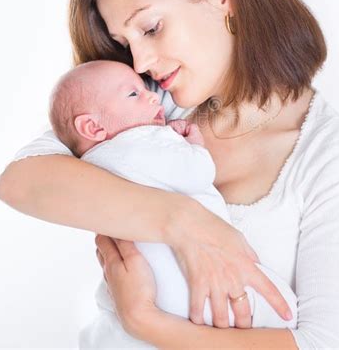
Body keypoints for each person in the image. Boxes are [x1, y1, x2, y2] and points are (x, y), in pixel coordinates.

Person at [0, 0, 339, 348]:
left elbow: (330, 344)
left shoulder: (332, 156)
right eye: (125, 42)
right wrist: (185, 222)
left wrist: (146, 322)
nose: (140, 61)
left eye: (151, 28)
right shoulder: (150, 109)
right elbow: (18, 182)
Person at [47, 59, 298, 347]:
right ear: (92, 127)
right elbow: (195, 174)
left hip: (137, 280)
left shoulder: (88, 164)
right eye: (134, 95)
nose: (153, 96)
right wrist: (193, 146)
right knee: (280, 307)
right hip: (183, 283)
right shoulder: (136, 143)